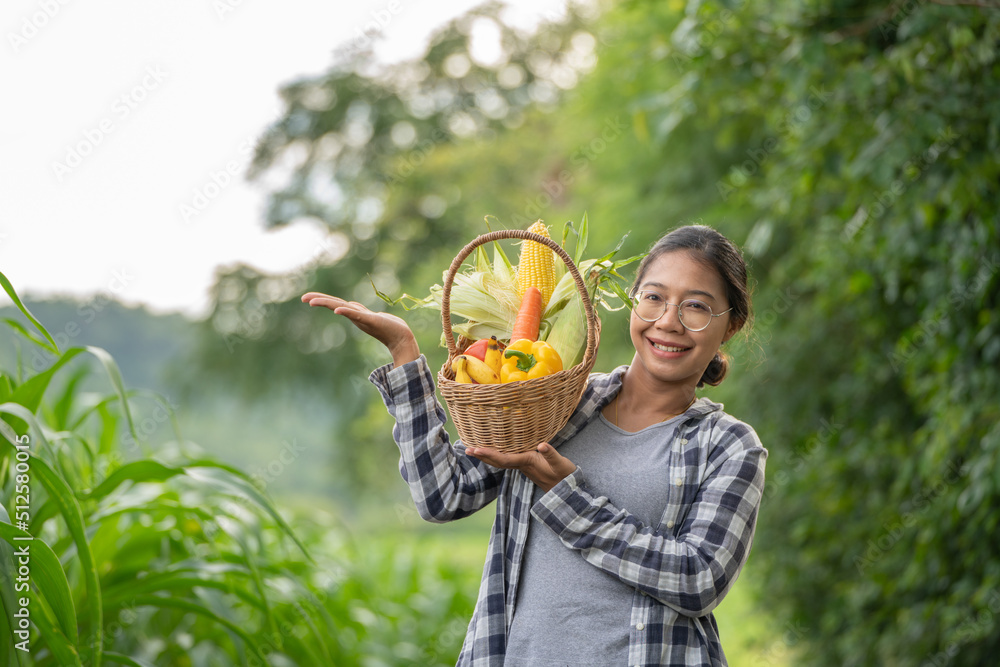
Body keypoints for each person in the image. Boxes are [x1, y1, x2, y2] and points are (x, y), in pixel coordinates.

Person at [302, 224, 767, 666]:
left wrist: (566, 495)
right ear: (633, 303)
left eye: (697, 307)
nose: (668, 321)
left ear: (730, 325)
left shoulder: (728, 447)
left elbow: (699, 579)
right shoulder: (554, 400)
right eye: (654, 298)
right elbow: (443, 496)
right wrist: (405, 354)